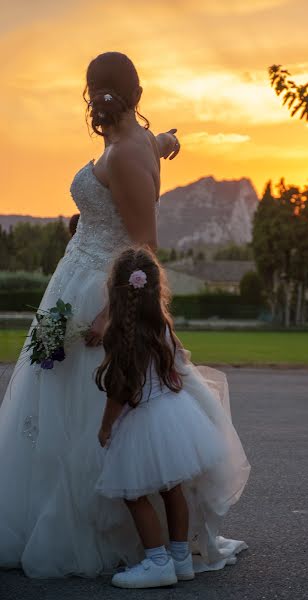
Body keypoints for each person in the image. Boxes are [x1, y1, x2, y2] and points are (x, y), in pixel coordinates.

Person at [0, 51, 249, 578]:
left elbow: (145, 245)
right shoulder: (131, 145)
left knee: (110, 407)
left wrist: (111, 314)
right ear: (137, 93)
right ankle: (164, 548)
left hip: (102, 293)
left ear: (92, 94)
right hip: (77, 283)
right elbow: (139, 159)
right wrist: (165, 143)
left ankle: (148, 549)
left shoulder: (125, 153)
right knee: (61, 406)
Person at [94, 246, 240, 589]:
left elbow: (119, 390)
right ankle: (180, 559)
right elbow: (173, 371)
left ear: (115, 290)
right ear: (157, 288)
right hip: (172, 414)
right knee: (172, 489)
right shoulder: (163, 327)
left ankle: (157, 562)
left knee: (133, 494)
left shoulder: (120, 335)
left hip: (143, 418)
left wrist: (105, 426)